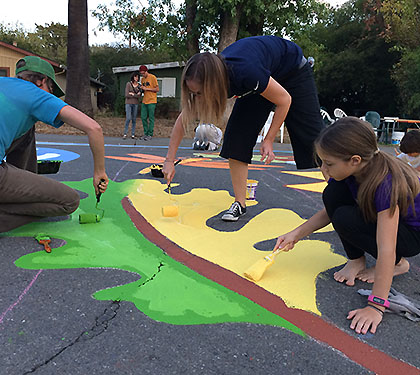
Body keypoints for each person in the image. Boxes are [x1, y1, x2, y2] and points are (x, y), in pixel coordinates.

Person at [0, 56, 109, 244]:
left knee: (27, 126)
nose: (50, 95)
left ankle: (15, 185)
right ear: (42, 81)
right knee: (69, 201)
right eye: (51, 90)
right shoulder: (34, 94)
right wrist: (99, 171)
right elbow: (93, 128)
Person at [275, 117, 420, 335]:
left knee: (345, 216)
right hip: (392, 224)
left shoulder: (385, 184)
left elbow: (386, 247)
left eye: (329, 163)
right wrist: (296, 234)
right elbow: (329, 210)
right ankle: (356, 260)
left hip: (410, 236)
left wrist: (376, 306)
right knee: (333, 193)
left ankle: (400, 264)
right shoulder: (355, 169)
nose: (323, 168)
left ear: (354, 160)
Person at [162, 36, 323, 221]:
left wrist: (268, 139)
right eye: (193, 93)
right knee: (237, 138)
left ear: (214, 84)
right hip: (263, 75)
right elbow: (184, 119)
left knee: (317, 142)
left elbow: (284, 100)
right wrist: (168, 160)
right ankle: (240, 202)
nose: (196, 98)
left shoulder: (245, 72)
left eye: (199, 93)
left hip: (292, 71)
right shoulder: (231, 78)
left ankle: (345, 196)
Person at [139, 65, 159, 141]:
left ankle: (150, 134)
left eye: (143, 73)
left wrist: (147, 89)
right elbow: (143, 90)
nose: (143, 75)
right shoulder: (142, 80)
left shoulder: (153, 77)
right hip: (145, 100)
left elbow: (157, 89)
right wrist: (141, 90)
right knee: (143, 117)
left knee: (151, 118)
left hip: (152, 100)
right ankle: (145, 133)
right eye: (141, 74)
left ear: (146, 71)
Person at [123, 71, 142, 139]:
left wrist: (133, 94)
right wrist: (135, 95)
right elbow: (126, 95)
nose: (136, 78)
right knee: (128, 118)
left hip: (135, 104)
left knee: (134, 119)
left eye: (137, 77)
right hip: (128, 103)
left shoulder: (139, 86)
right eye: (135, 76)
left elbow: (139, 96)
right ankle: (125, 133)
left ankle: (133, 134)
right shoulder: (128, 84)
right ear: (133, 77)